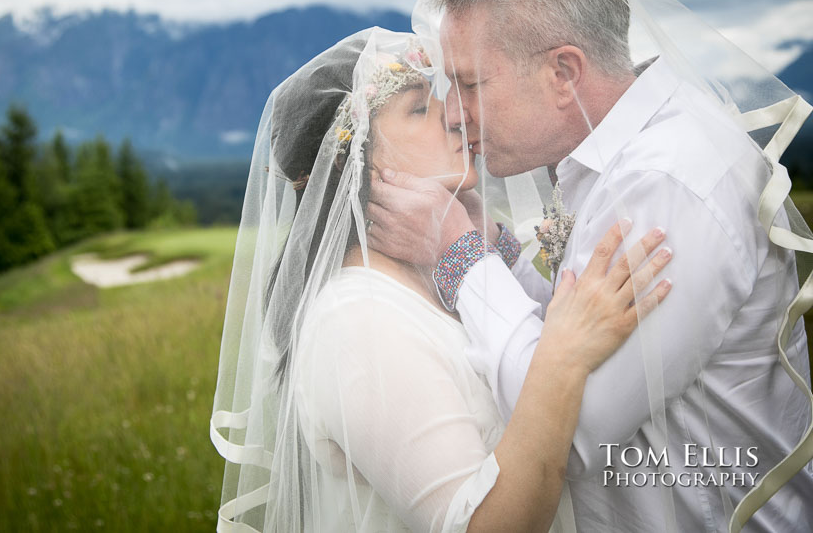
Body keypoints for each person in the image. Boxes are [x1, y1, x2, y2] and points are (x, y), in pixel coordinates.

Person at [368, 0, 813, 532]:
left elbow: (571, 430)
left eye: (470, 84)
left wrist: (460, 258)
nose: (453, 113)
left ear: (563, 73)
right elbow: (567, 335)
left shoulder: (663, 185)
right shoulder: (630, 158)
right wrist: (493, 247)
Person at [210, 27, 673, 532]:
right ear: (351, 160)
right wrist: (564, 357)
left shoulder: (435, 283)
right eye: (417, 108)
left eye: (442, 99)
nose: (455, 116)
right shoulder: (358, 323)